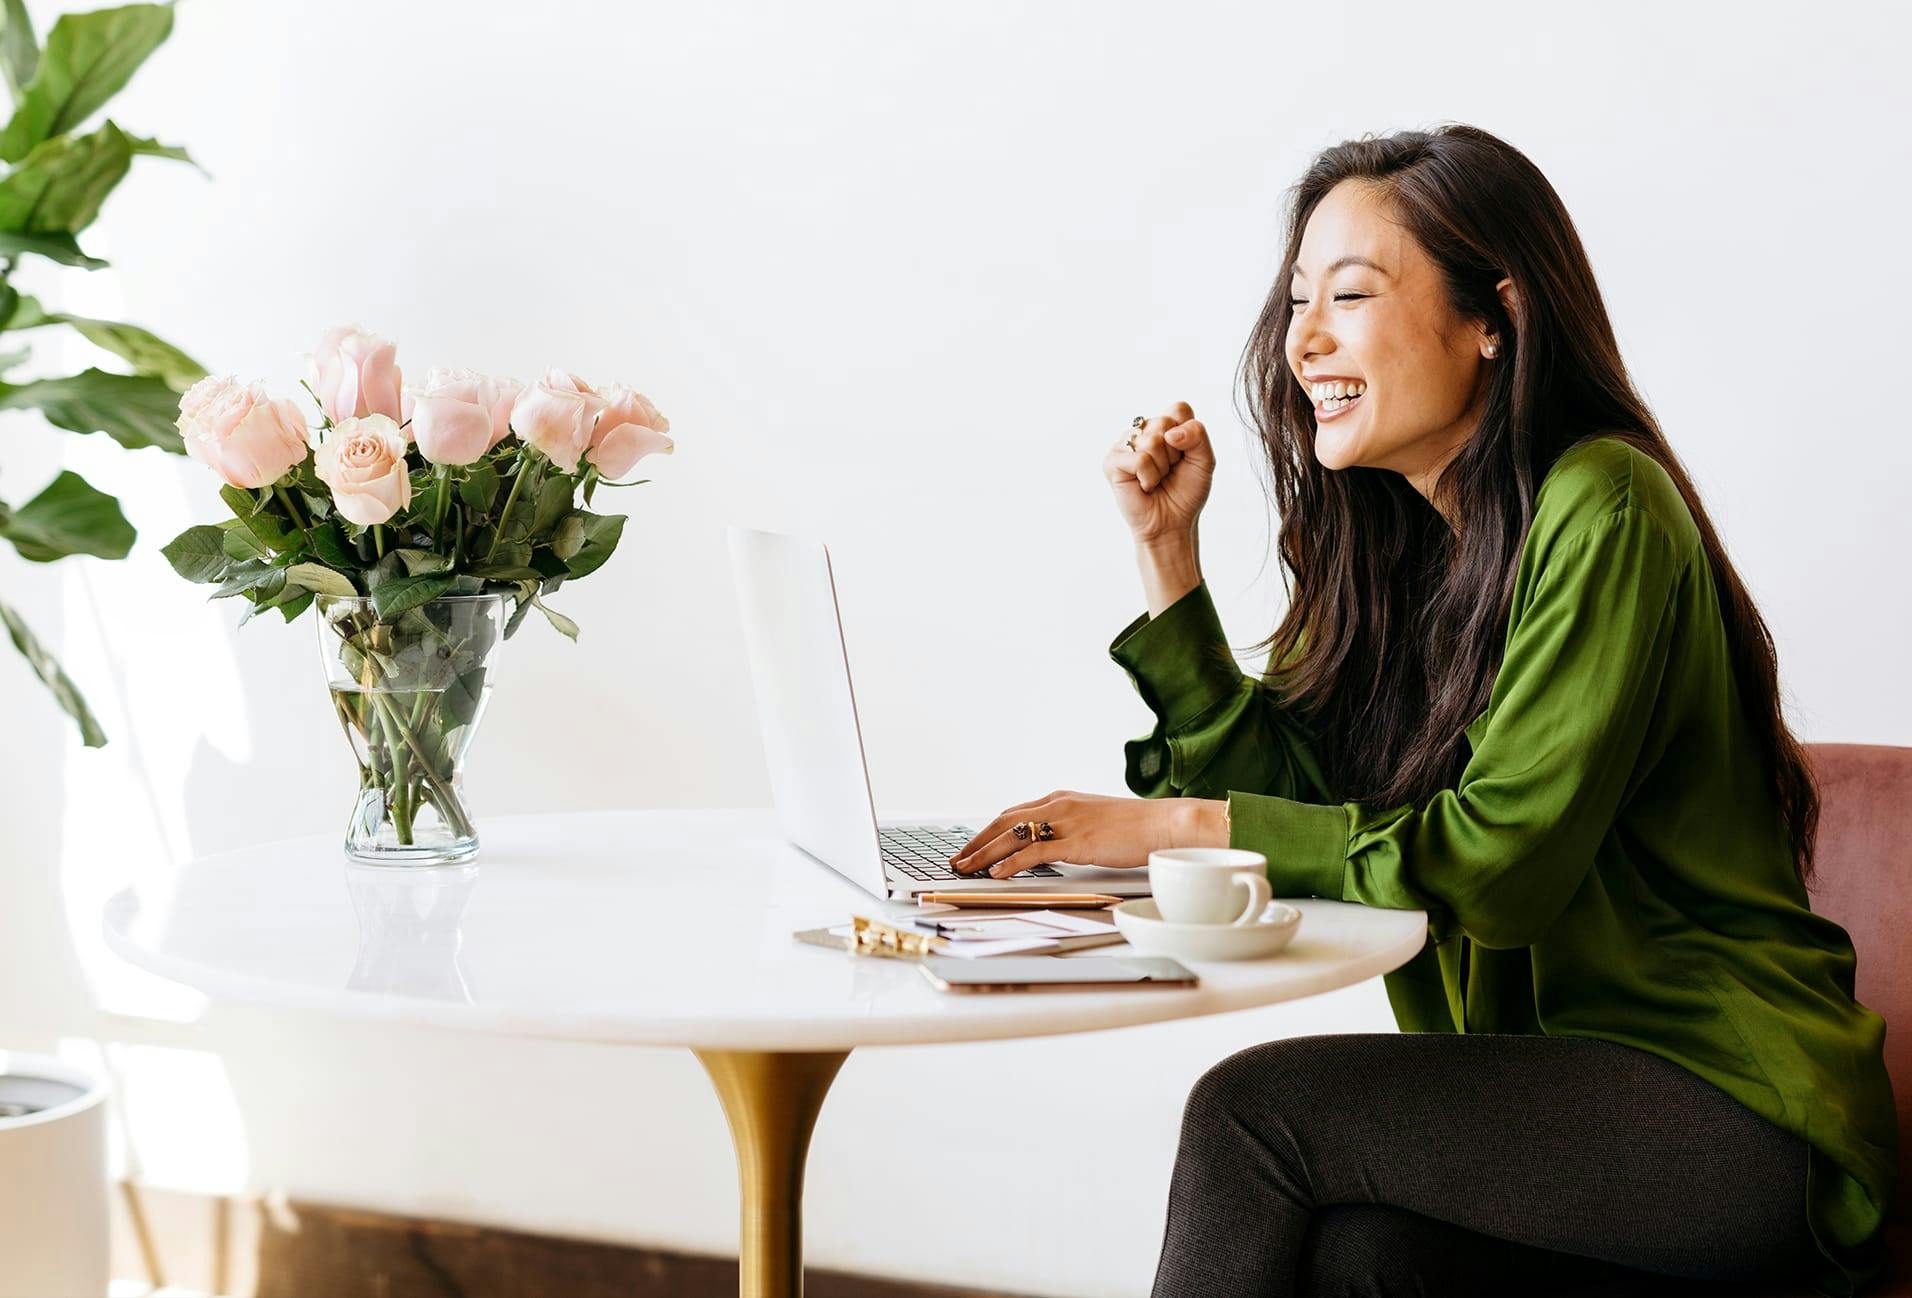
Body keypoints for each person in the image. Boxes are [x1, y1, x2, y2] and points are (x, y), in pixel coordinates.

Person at [946, 124, 1898, 1296]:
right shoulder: (1410, 550)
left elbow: (1495, 866)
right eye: (1298, 299)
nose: (1303, 340)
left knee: (1253, 1113)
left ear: (1492, 314)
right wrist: (1166, 557)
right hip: (1553, 1098)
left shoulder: (1607, 507)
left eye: (1349, 294)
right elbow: (1301, 808)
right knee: (1362, 1257)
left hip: (1732, 1115)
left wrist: (1170, 825)